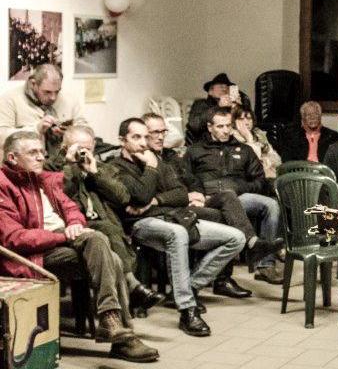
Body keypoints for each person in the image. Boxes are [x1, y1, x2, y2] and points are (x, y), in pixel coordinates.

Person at [0, 131, 158, 362]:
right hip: (32, 256)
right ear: (13, 158)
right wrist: (64, 234)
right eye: (32, 153)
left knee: (102, 247)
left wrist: (74, 223)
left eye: (41, 152)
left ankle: (114, 326)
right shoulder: (3, 186)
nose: (41, 157)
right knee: (106, 253)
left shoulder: (43, 179)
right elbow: (14, 238)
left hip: (64, 241)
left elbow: (71, 207)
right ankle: (120, 335)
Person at [110, 118, 246, 337]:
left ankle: (189, 286)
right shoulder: (116, 168)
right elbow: (138, 196)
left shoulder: (155, 161)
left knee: (236, 238)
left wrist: (154, 201)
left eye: (146, 136)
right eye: (136, 137)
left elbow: (181, 194)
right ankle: (187, 309)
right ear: (122, 140)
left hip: (172, 216)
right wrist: (151, 169)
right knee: (178, 233)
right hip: (140, 225)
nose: (144, 142)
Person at [143, 112, 276, 298]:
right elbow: (151, 192)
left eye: (163, 131)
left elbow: (186, 179)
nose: (160, 136)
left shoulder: (171, 156)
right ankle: (213, 280)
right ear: (209, 127)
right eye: (154, 132)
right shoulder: (187, 152)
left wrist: (194, 194)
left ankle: (250, 248)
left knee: (229, 201)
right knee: (225, 215)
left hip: (202, 200)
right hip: (173, 208)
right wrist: (193, 194)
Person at [51, 126, 164, 313]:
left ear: (94, 146)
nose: (84, 152)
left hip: (105, 223)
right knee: (109, 230)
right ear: (65, 146)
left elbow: (122, 197)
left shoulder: (104, 168)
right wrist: (69, 165)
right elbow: (57, 193)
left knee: (111, 231)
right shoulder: (54, 167)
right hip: (72, 224)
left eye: (89, 148)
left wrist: (96, 173)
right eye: (79, 147)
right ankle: (133, 288)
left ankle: (126, 299)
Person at [184, 106, 282, 284]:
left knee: (271, 205)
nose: (225, 131)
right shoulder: (195, 151)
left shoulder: (244, 150)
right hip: (207, 199)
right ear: (209, 127)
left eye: (228, 126)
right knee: (226, 198)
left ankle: (265, 264)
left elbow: (260, 181)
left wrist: (239, 188)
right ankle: (252, 244)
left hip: (239, 196)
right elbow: (187, 177)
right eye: (220, 126)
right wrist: (198, 192)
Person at [0, 64, 88, 154]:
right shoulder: (9, 100)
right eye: (47, 92)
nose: (53, 97)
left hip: (63, 162)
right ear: (32, 84)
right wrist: (36, 129)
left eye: (57, 91)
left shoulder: (70, 100)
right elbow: (2, 138)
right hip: (24, 165)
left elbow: (86, 131)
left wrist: (70, 133)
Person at [186, 73, 250, 144]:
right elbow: (195, 125)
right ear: (210, 91)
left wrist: (238, 108)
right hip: (206, 145)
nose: (225, 88)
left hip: (231, 144)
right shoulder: (201, 104)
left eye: (227, 87)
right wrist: (218, 107)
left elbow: (247, 124)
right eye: (221, 86)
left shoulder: (232, 106)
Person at [231, 105, 281, 178]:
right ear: (234, 122)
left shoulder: (258, 133)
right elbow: (248, 164)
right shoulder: (232, 138)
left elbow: (275, 158)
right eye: (241, 119)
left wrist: (266, 152)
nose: (246, 123)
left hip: (269, 172)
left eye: (249, 118)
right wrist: (249, 138)